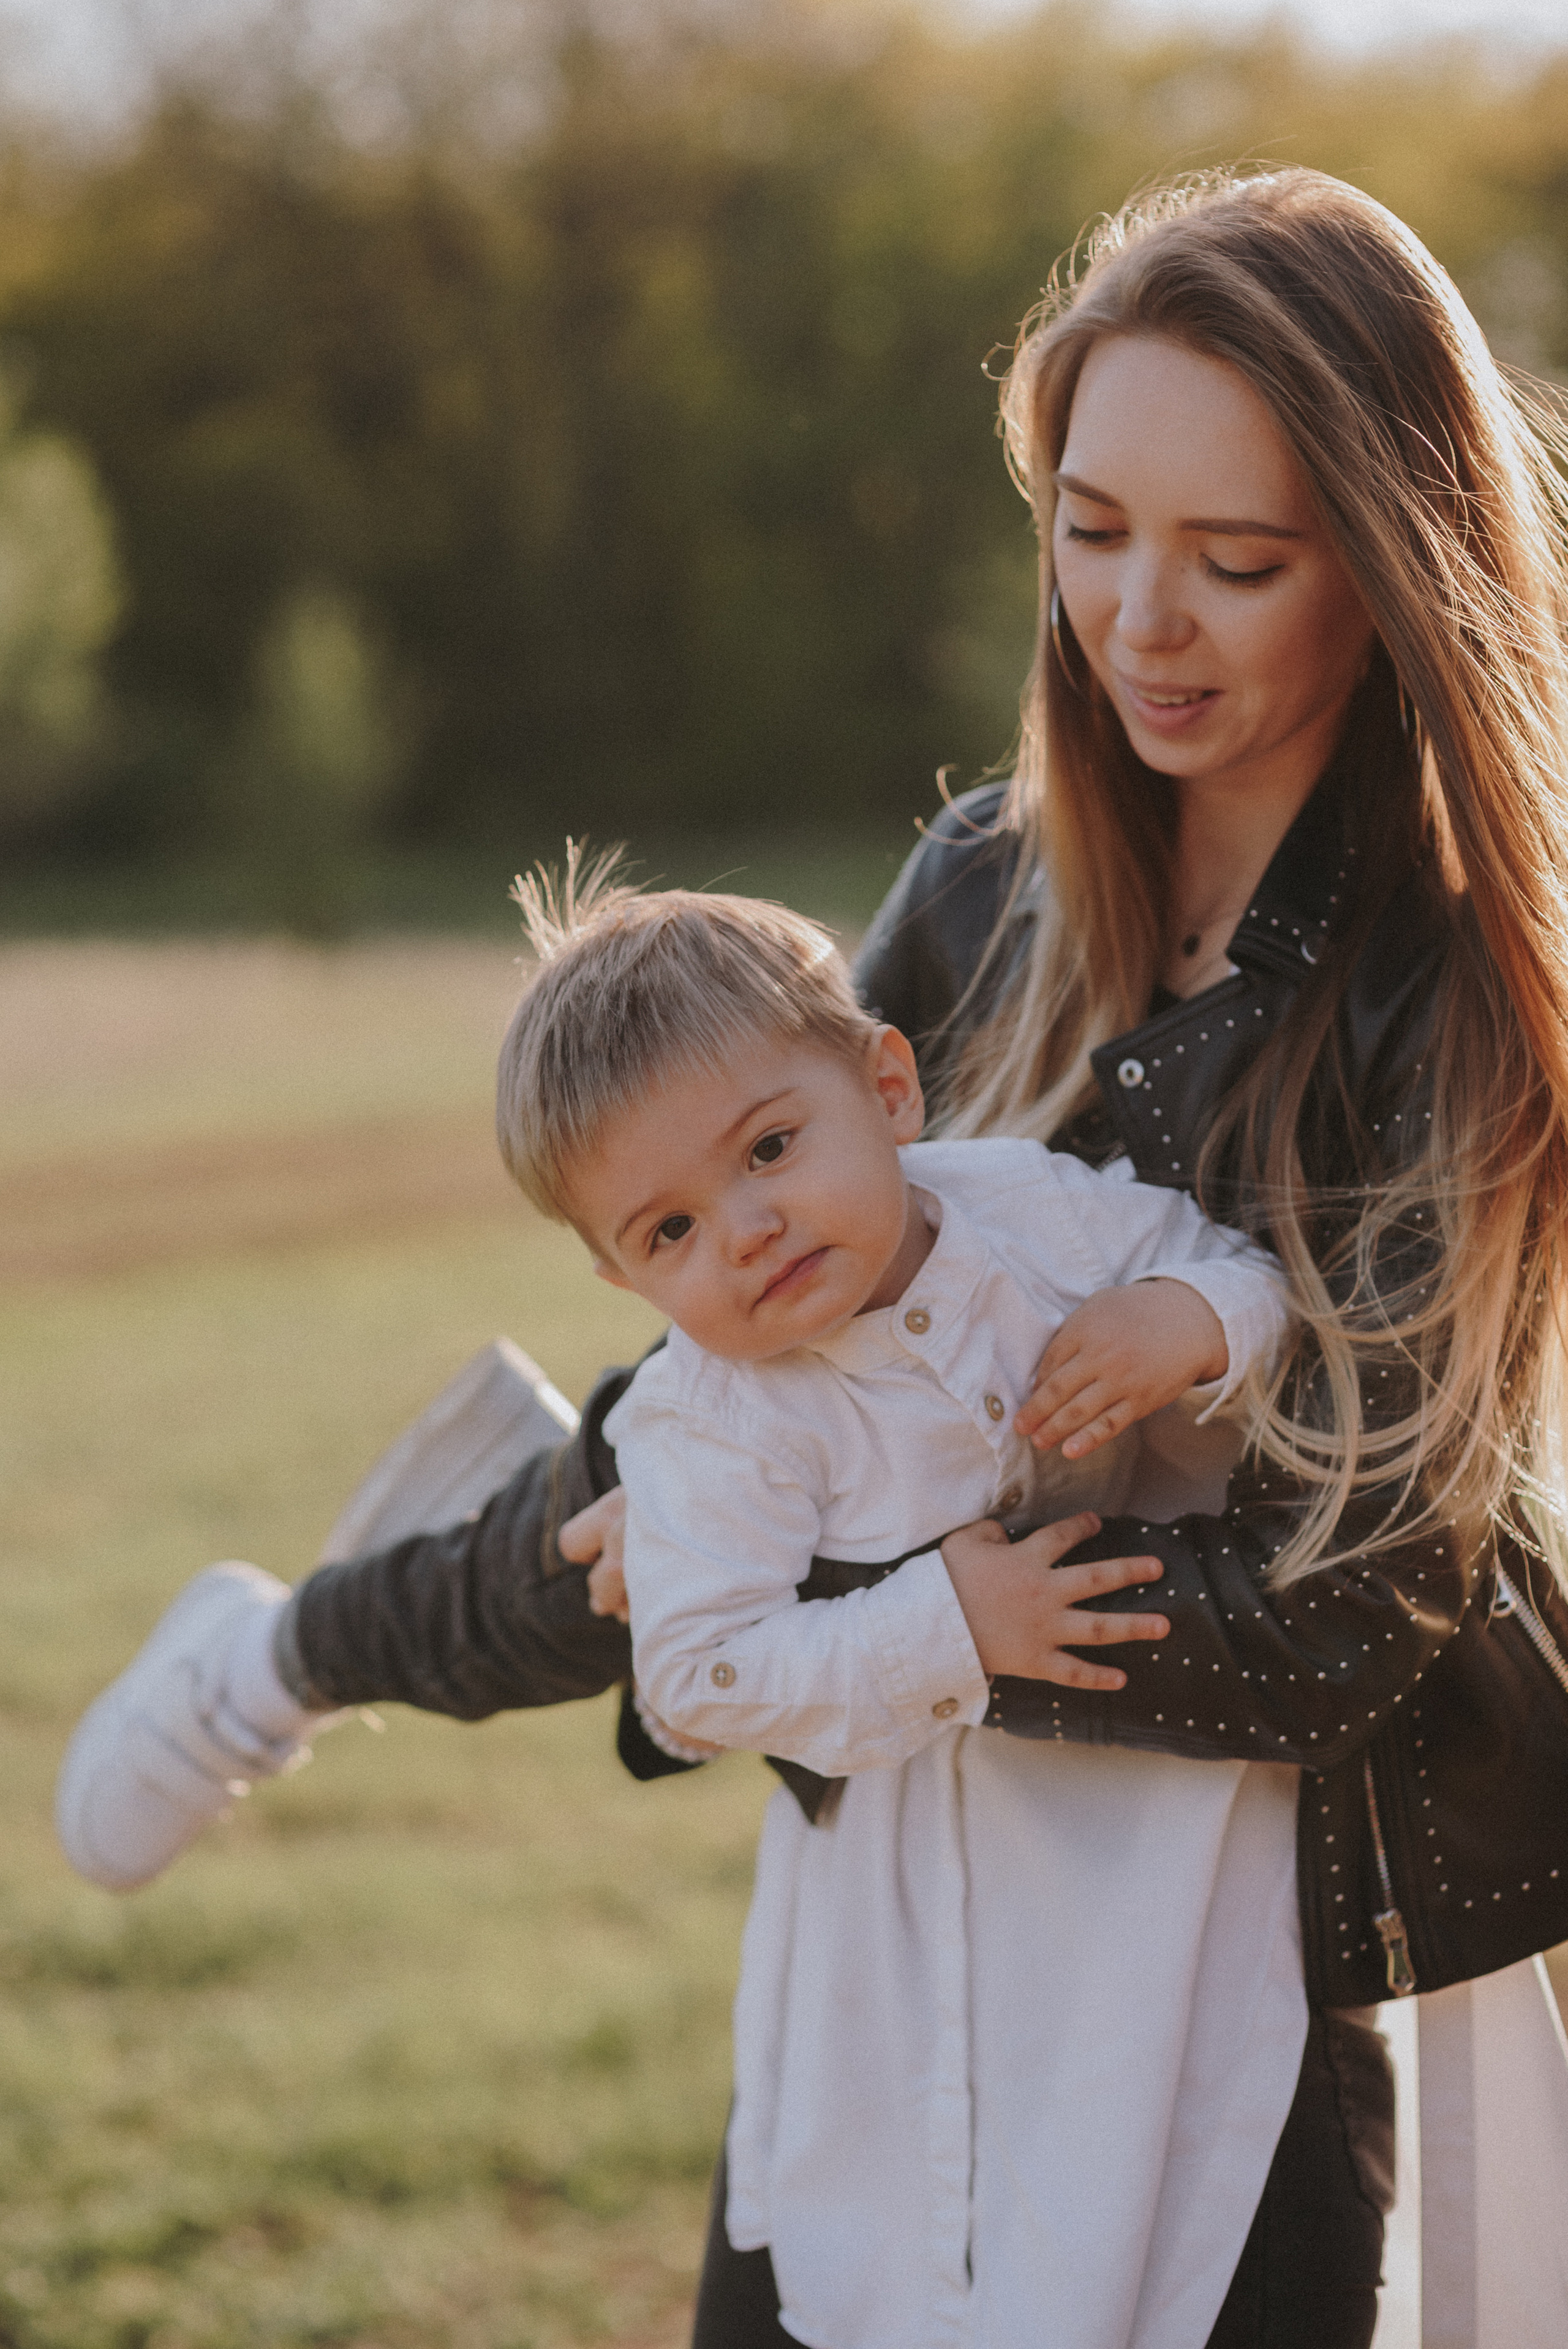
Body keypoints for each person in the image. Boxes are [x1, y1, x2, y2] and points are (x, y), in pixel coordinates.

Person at [56, 163, 1568, 2343]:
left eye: (1237, 559)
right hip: (906, 1878)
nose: (1139, 619)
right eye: (1091, 525)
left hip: (1230, 1917)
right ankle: (275, 1656)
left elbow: (1342, 1619)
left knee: (684, 1521)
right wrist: (780, 1589)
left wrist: (866, 1628)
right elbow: (749, 1244)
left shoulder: (1453, 991)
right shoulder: (987, 883)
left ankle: (307, 1640)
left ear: (1393, 564)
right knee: (639, 1483)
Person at [62, 869, 1302, 2347]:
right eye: (667, 1233)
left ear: (888, 1087)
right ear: (611, 1273)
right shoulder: (715, 1424)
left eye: (772, 1148)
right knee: (893, 2177)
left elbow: (1234, 1271)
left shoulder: (1028, 1207)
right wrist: (942, 1626)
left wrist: (1192, 1323)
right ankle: (263, 1663)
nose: (747, 1233)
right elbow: (694, 1681)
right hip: (893, 1843)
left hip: (1070, 1830)